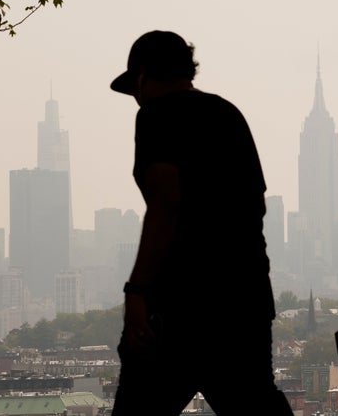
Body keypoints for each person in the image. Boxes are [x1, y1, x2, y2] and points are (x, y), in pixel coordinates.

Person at [109, 30, 293, 415]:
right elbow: (257, 205)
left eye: (135, 88)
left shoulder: (156, 116)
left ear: (143, 75)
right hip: (244, 299)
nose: (136, 98)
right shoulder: (228, 113)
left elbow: (165, 205)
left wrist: (136, 291)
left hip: (178, 305)